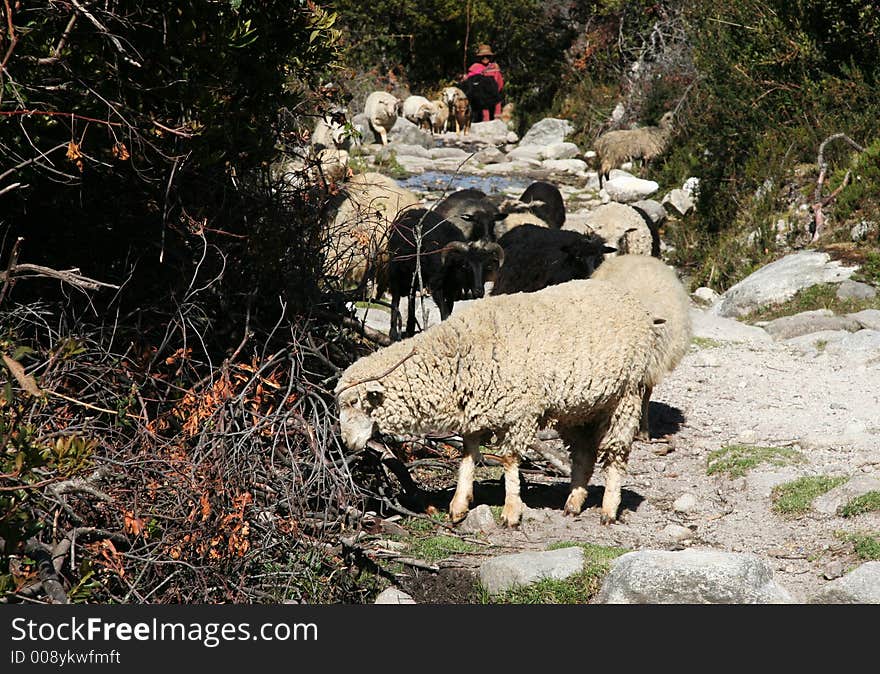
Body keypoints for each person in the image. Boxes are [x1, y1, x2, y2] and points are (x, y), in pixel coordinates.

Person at [463, 43, 504, 122]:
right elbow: (471, 81)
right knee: (483, 104)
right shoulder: (475, 67)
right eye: (483, 56)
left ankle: (497, 121)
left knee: (497, 101)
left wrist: (494, 91)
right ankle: (485, 122)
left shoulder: (494, 67)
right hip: (480, 96)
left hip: (494, 94)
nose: (485, 58)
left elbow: (499, 81)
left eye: (487, 56)